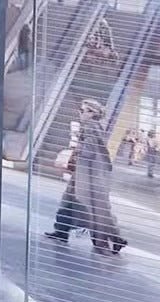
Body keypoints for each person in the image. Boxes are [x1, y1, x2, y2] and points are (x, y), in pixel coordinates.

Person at [46, 99, 126, 255]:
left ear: (93, 113)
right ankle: (61, 231)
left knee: (94, 209)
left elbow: (88, 151)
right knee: (70, 202)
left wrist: (76, 147)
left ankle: (115, 239)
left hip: (88, 176)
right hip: (86, 174)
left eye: (85, 111)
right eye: (80, 110)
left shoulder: (91, 127)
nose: (81, 113)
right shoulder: (94, 127)